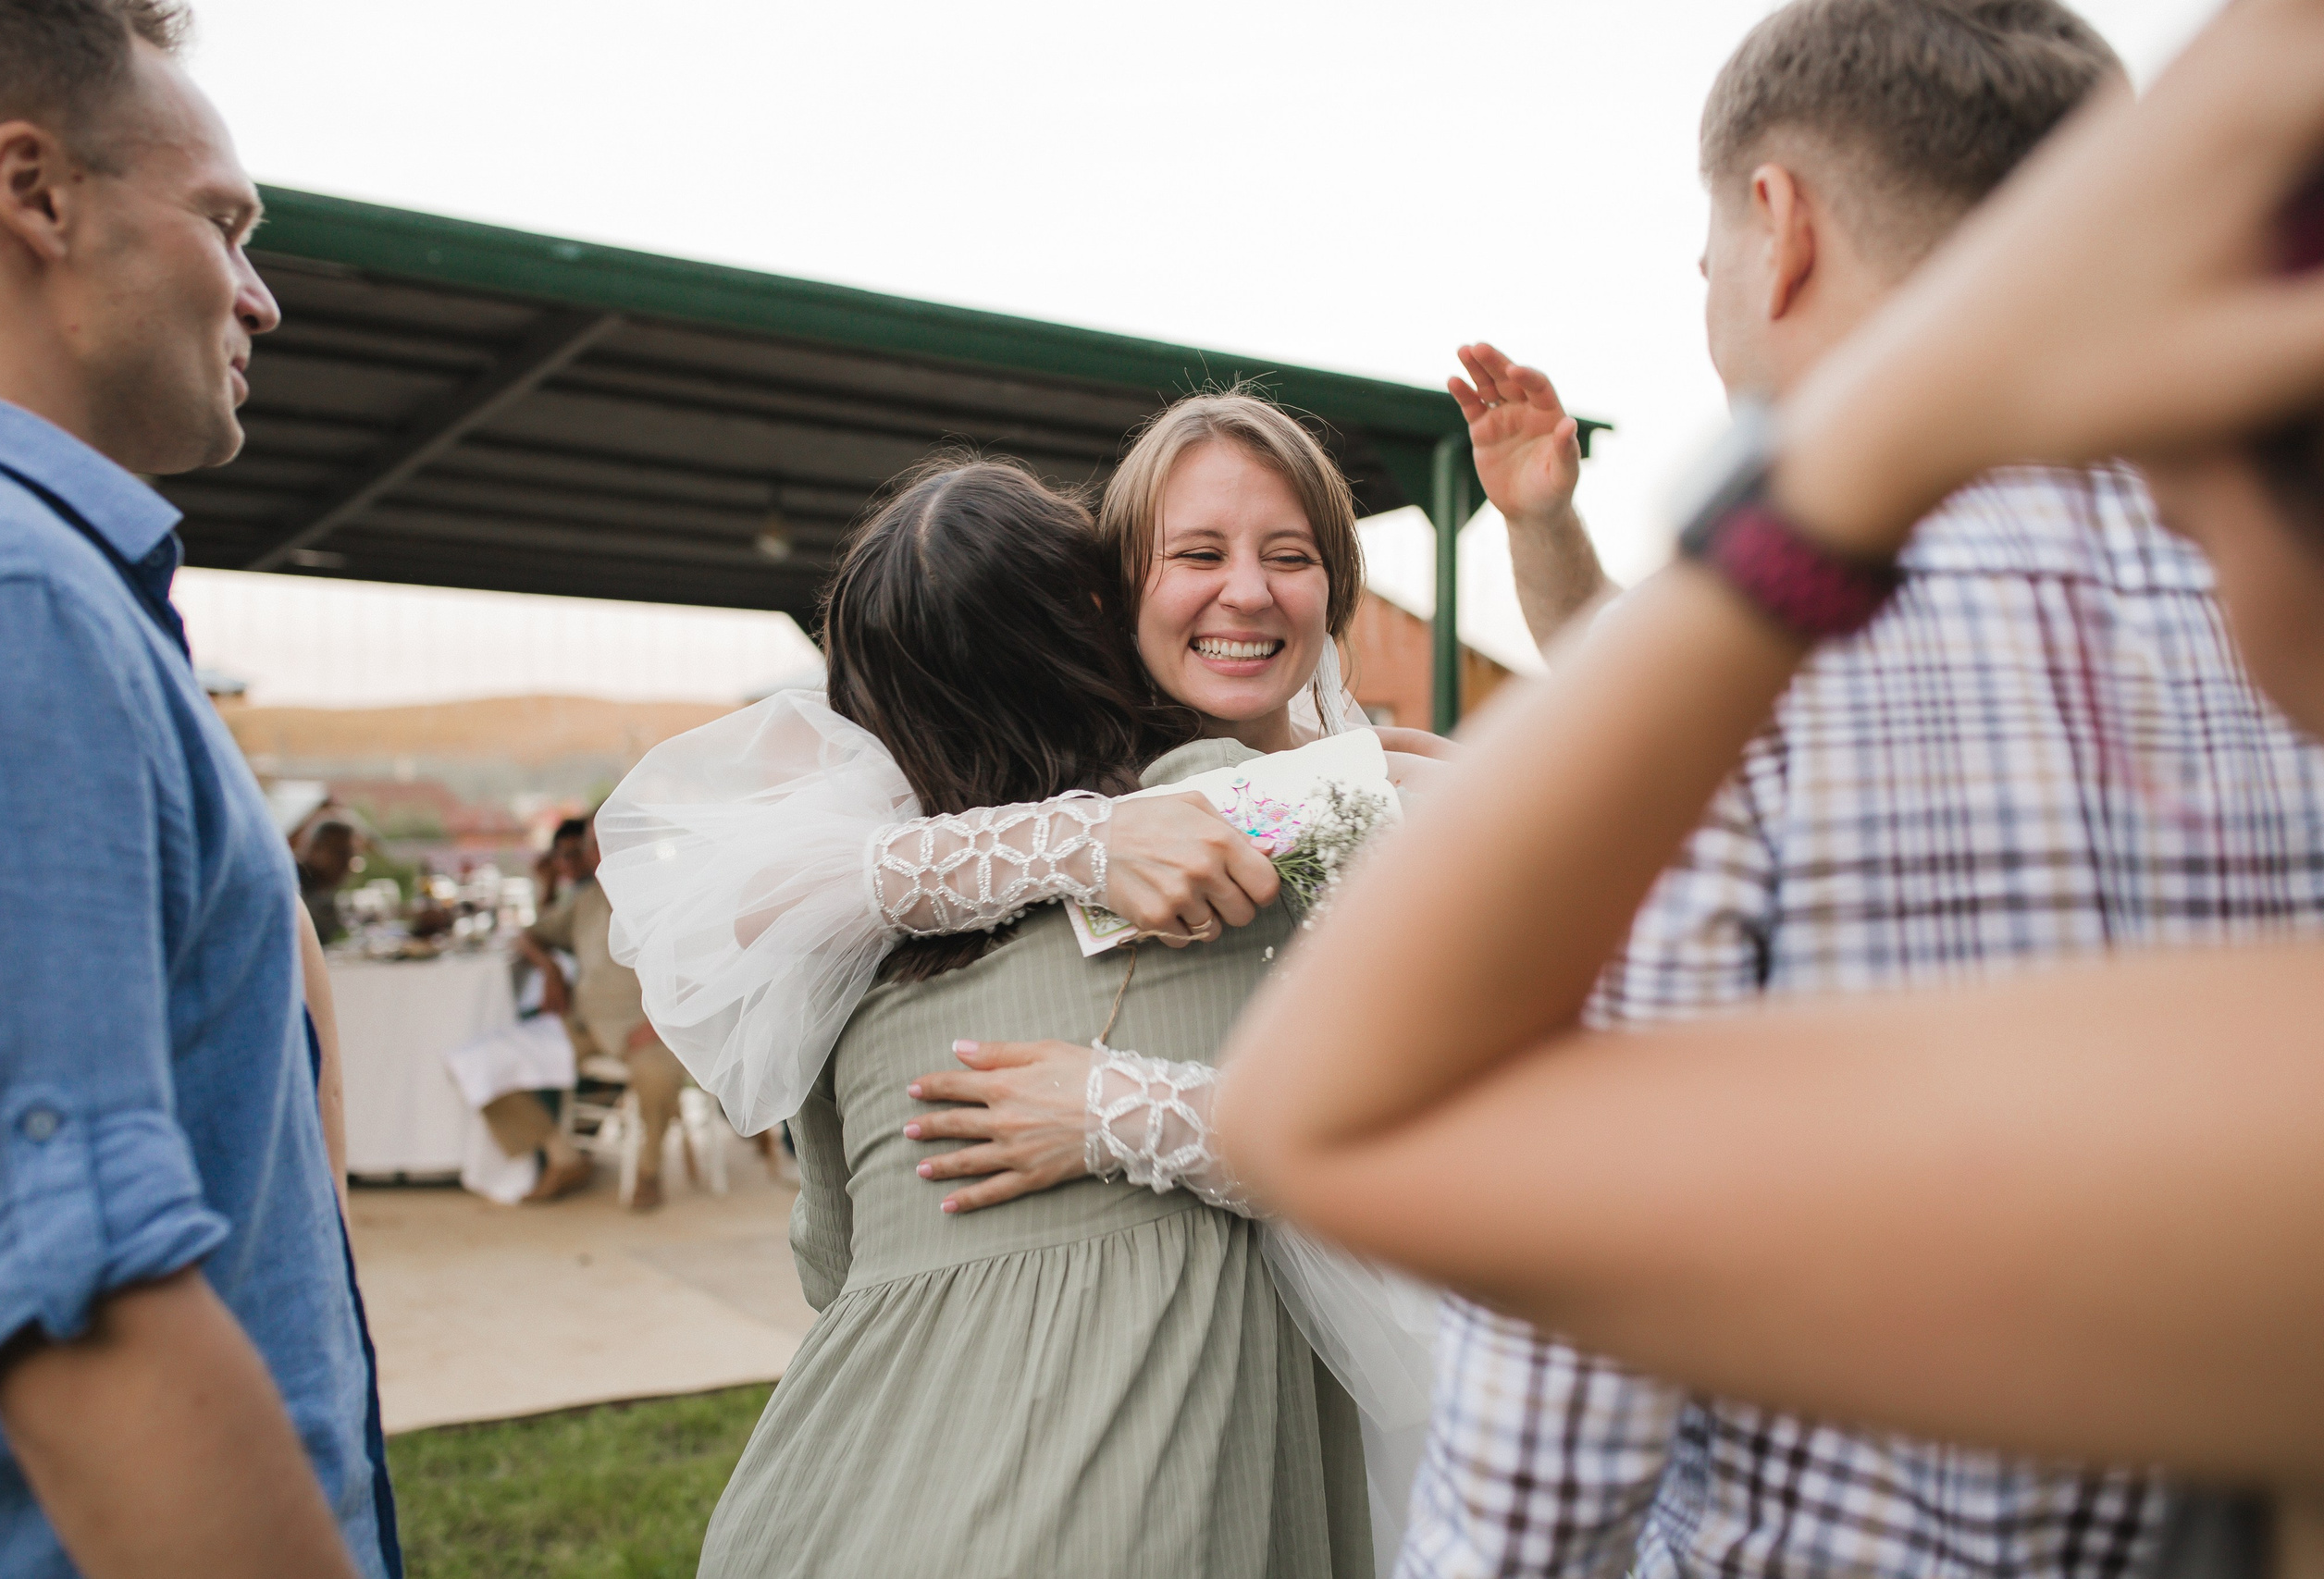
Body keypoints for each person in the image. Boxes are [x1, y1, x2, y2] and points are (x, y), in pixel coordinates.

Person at [1217, 0, 2324, 1571]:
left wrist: (1820, 483)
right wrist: (1557, 533)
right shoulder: (2260, 560)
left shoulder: (1750, 670)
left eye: (1706, 262)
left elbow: (1544, 1347)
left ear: (1778, 223)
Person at [627, 458, 1375, 1578]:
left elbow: (828, 1259)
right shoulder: (1235, 809)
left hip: (830, 1497)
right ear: (1097, 615)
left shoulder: (844, 921)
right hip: (1129, 1483)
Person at [0, 4, 392, 1577]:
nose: (260, 298)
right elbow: (87, 1317)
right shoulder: (5, 594)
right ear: (36, 192)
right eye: (226, 224)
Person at [508, 816, 693, 1208]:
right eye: (592, 844)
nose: (595, 851)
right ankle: (564, 1157)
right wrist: (549, 968)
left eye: (604, 841)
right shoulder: (587, 899)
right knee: (498, 1057)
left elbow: (700, 971)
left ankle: (649, 1172)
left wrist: (660, 1022)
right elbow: (529, 935)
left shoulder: (666, 897)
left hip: (645, 1027)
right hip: (584, 1026)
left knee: (657, 1075)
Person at [296, 817, 357, 946]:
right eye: (340, 853)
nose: (346, 862)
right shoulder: (295, 886)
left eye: (350, 854)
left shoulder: (320, 889)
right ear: (315, 848)